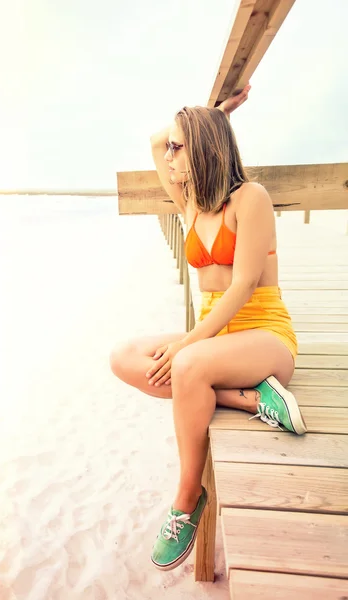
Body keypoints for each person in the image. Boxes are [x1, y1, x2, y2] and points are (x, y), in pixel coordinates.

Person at [109, 84, 307, 572]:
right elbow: (155, 140)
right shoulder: (191, 204)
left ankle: (187, 499)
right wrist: (214, 113)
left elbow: (241, 288)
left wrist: (185, 344)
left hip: (265, 336)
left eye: (181, 147)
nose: (170, 156)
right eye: (175, 147)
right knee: (124, 356)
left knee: (190, 362)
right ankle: (251, 399)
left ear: (202, 149)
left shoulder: (250, 199)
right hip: (216, 345)